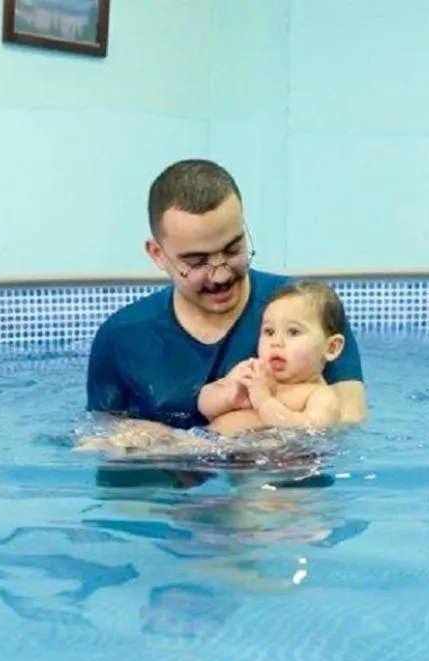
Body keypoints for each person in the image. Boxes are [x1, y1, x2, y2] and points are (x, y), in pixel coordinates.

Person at [83, 159, 366, 447]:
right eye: (197, 261)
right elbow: (104, 435)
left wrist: (231, 444)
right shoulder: (121, 338)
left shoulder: (304, 310)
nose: (220, 275)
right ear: (157, 254)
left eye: (233, 250)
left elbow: (347, 425)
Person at [197, 280, 348, 436]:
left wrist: (264, 402)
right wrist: (230, 395)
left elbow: (308, 433)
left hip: (252, 448)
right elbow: (204, 406)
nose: (276, 342)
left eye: (293, 332)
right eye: (269, 332)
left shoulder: (320, 397)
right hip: (209, 439)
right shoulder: (253, 372)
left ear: (331, 348)